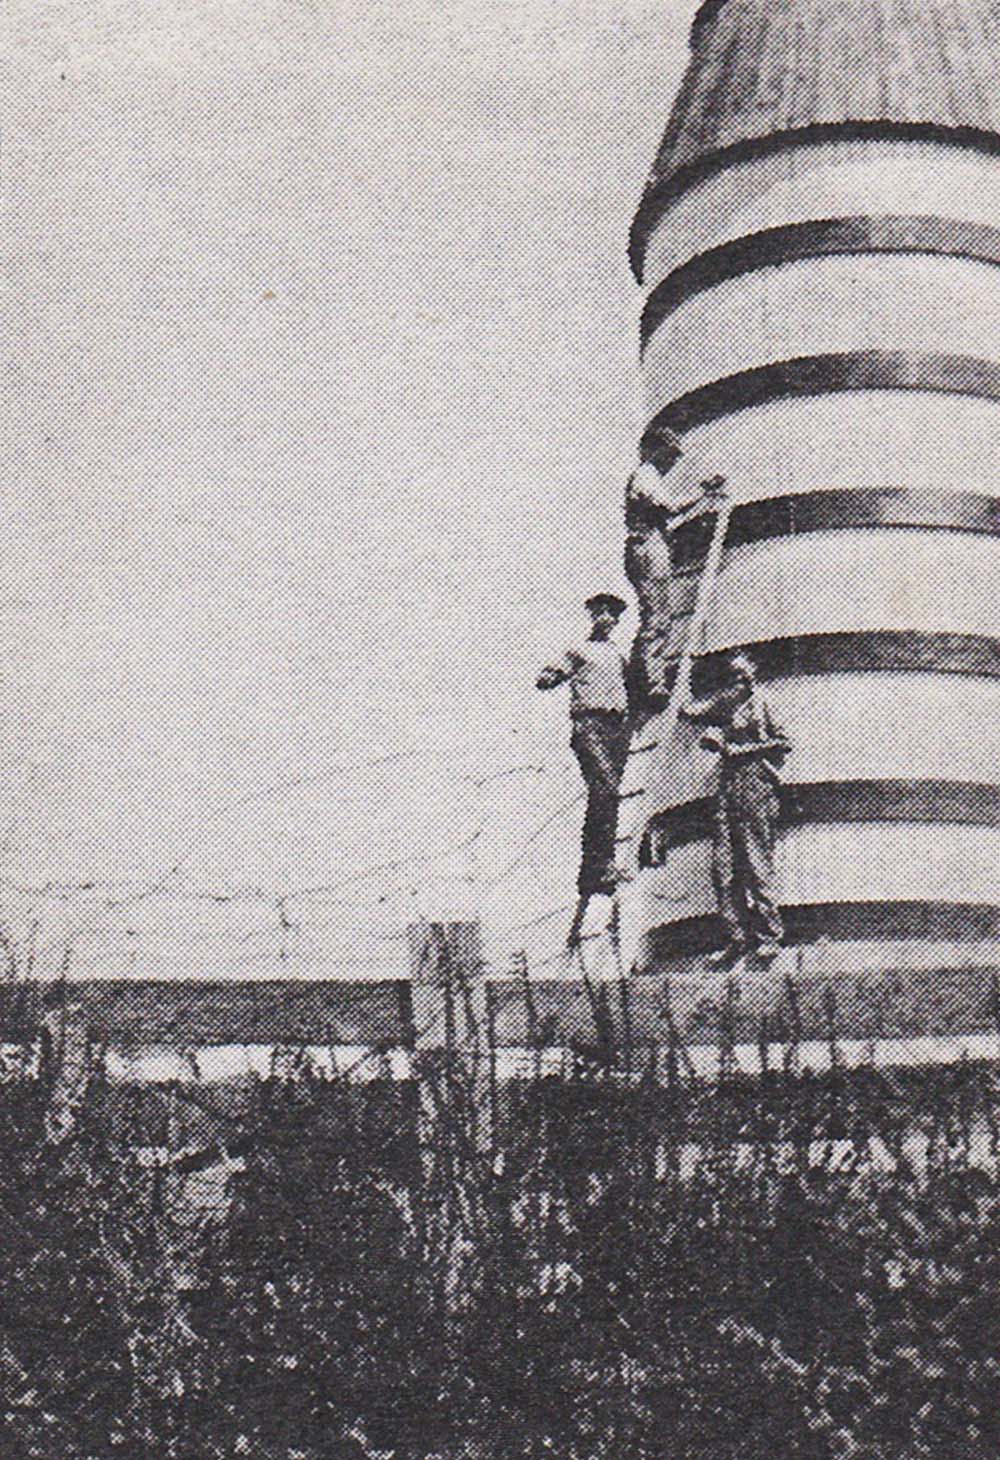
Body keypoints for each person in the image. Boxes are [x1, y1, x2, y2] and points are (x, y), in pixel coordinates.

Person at [679, 651, 791, 965]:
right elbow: (690, 711)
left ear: (751, 678)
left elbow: (784, 742)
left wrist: (740, 749)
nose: (737, 683)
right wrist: (683, 677)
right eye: (732, 678)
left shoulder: (764, 703)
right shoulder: (727, 703)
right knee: (724, 869)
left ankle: (769, 936)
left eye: (741, 677)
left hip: (756, 784)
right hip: (728, 786)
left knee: (756, 862)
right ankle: (736, 938)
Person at [537, 594, 630, 900]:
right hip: (589, 724)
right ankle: (600, 865)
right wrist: (551, 676)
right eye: (601, 613)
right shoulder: (579, 650)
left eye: (612, 615)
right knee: (606, 789)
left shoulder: (619, 654)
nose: (607, 619)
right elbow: (550, 675)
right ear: (593, 616)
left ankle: (595, 869)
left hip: (615, 726)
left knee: (607, 795)